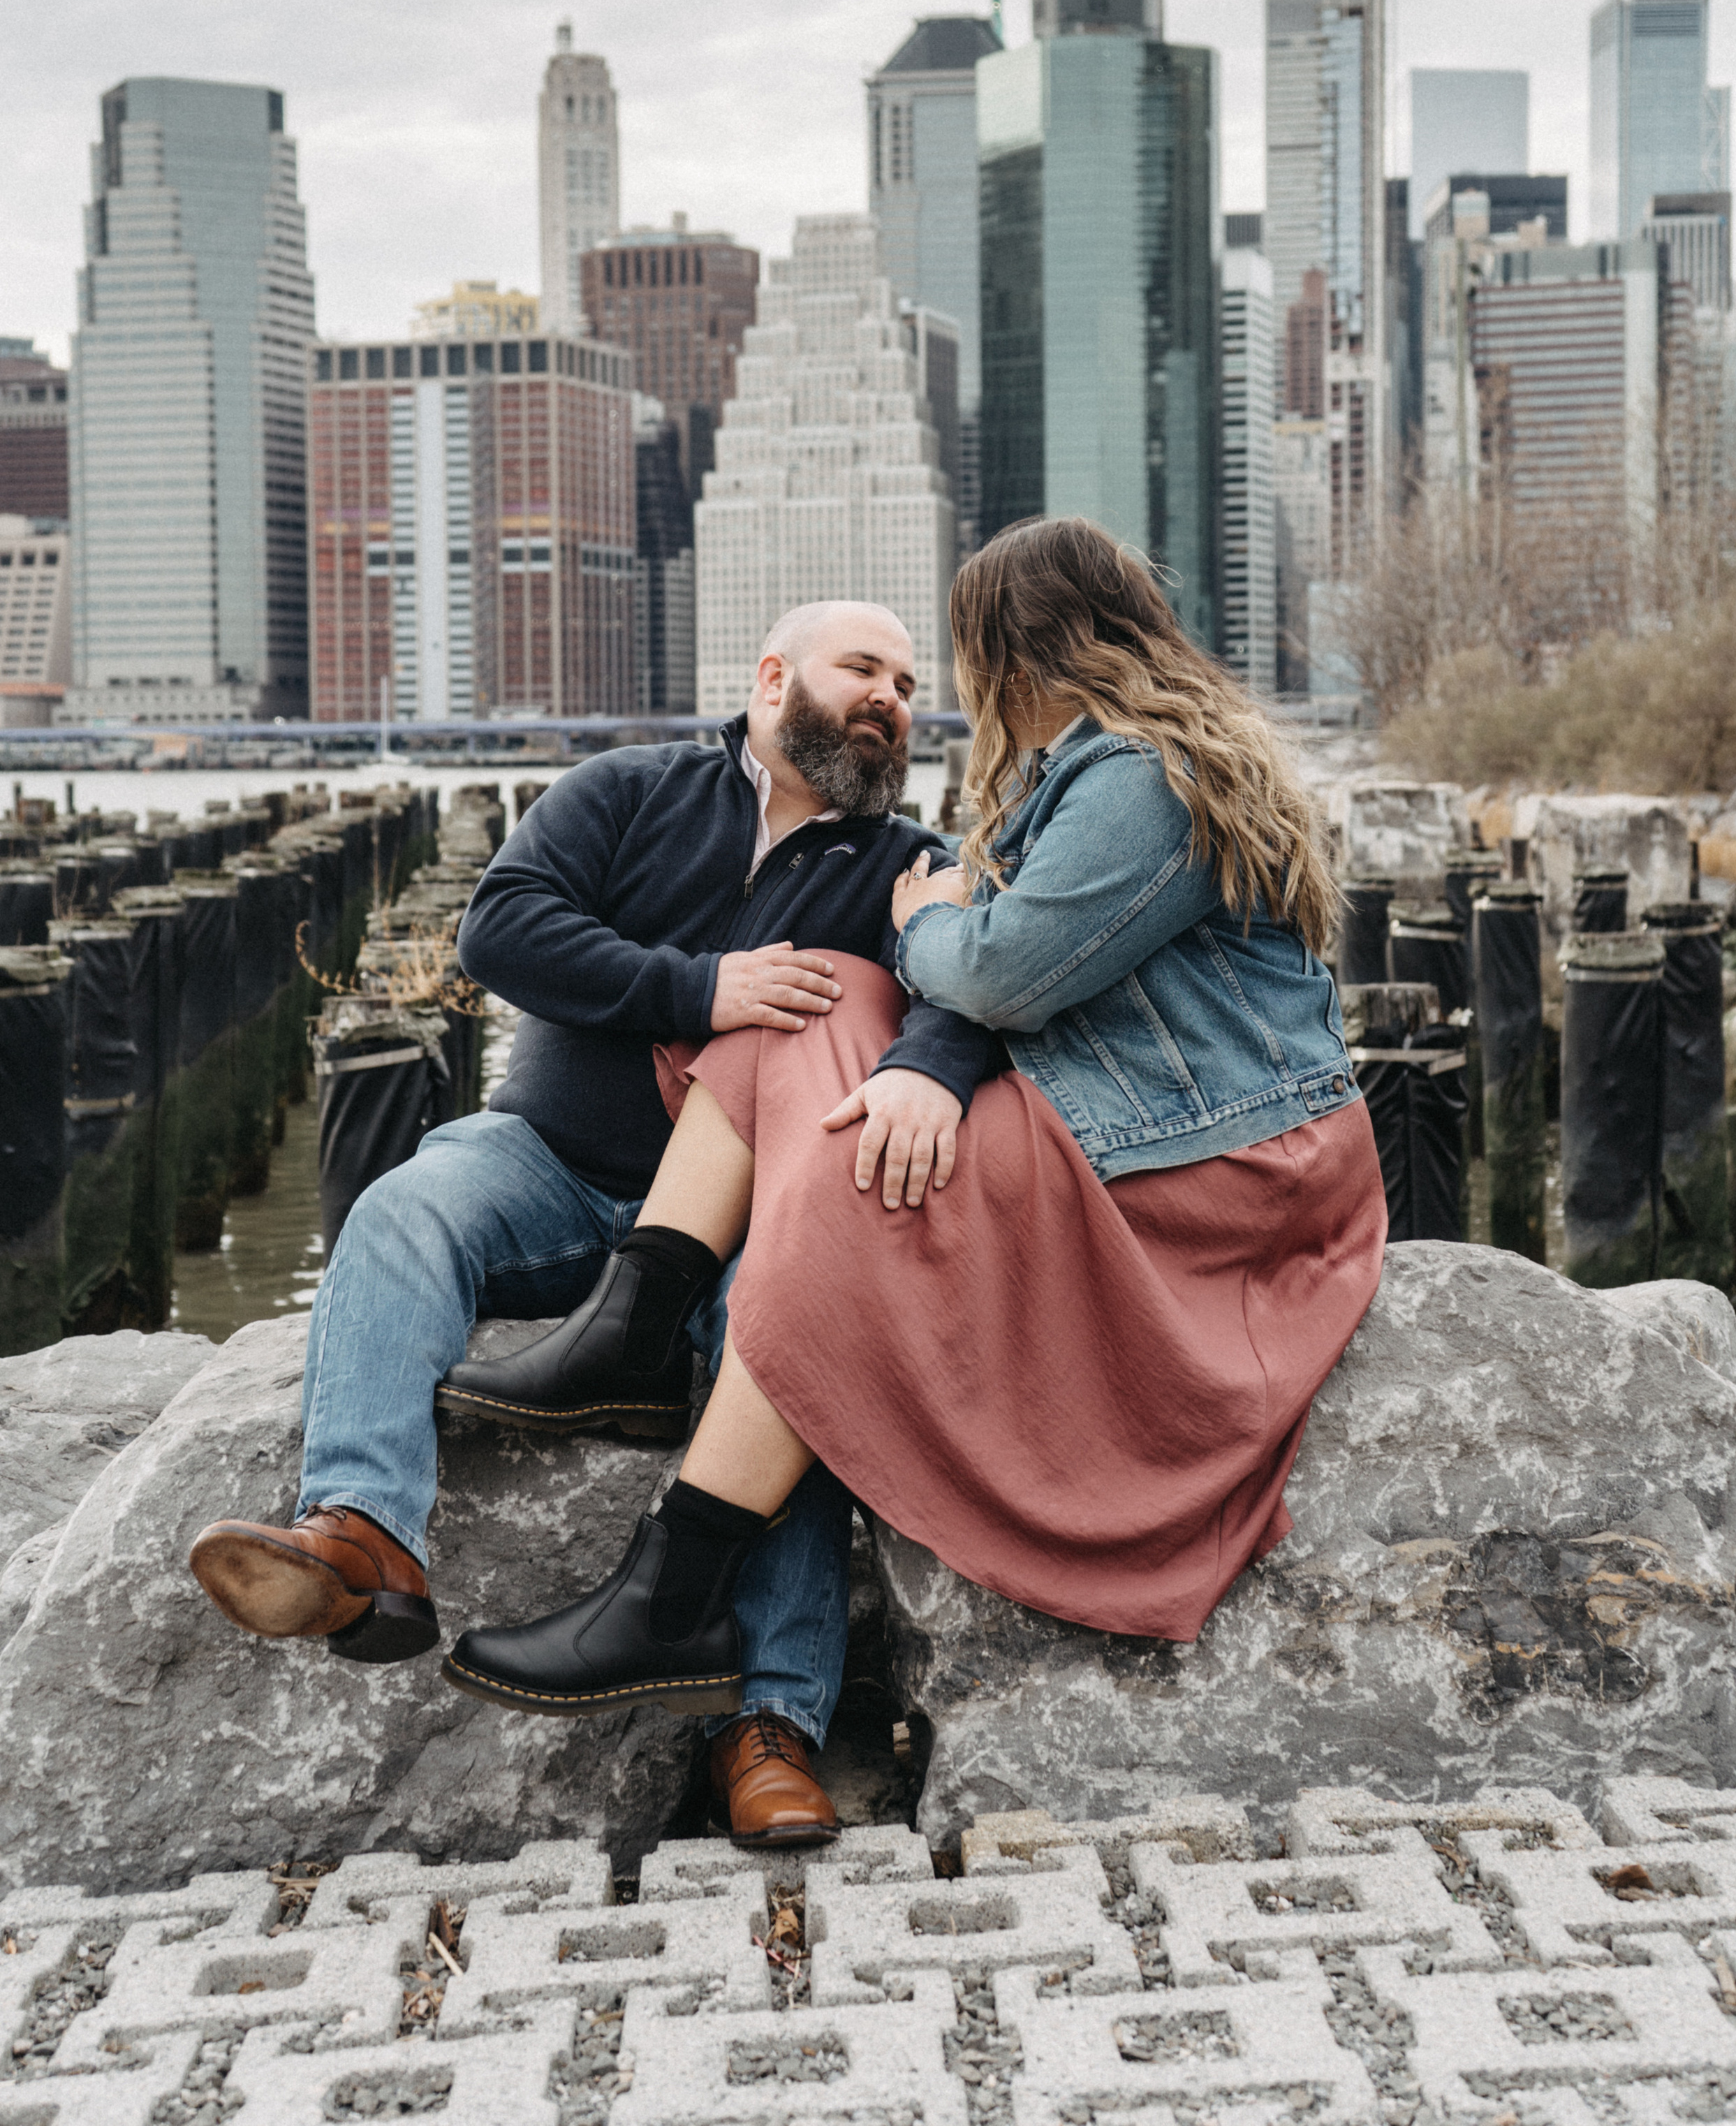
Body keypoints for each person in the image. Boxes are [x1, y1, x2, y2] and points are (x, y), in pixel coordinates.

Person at [443, 516, 1387, 1720]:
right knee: (809, 1003)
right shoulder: (1093, 771)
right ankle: (637, 1322)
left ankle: (673, 1584)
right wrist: (921, 1045)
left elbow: (995, 975)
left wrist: (928, 916)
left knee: (854, 1190)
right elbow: (992, 976)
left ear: (1018, 648)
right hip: (1140, 1121)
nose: (945, 690)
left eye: (956, 656)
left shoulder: (1149, 775)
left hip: (1225, 1166)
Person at [188, 601, 994, 1850]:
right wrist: (700, 987)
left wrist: (930, 1067)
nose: (893, 695)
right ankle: (359, 1540)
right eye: (862, 668)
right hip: (557, 1167)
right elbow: (502, 927)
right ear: (773, 674)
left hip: (747, 1215)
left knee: (785, 1345)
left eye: (906, 679)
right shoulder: (629, 789)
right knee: (404, 1209)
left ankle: (769, 1723)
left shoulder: (908, 860)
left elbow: (965, 988)